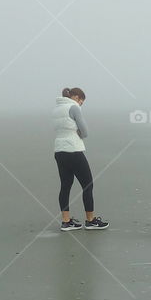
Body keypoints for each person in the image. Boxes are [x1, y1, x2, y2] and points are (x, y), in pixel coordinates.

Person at [52, 87, 109, 231]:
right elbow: (85, 132)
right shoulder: (74, 107)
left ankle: (66, 221)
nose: (81, 105)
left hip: (59, 150)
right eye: (81, 102)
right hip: (74, 150)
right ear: (76, 97)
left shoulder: (56, 109)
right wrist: (79, 133)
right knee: (87, 185)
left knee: (65, 186)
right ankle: (91, 220)